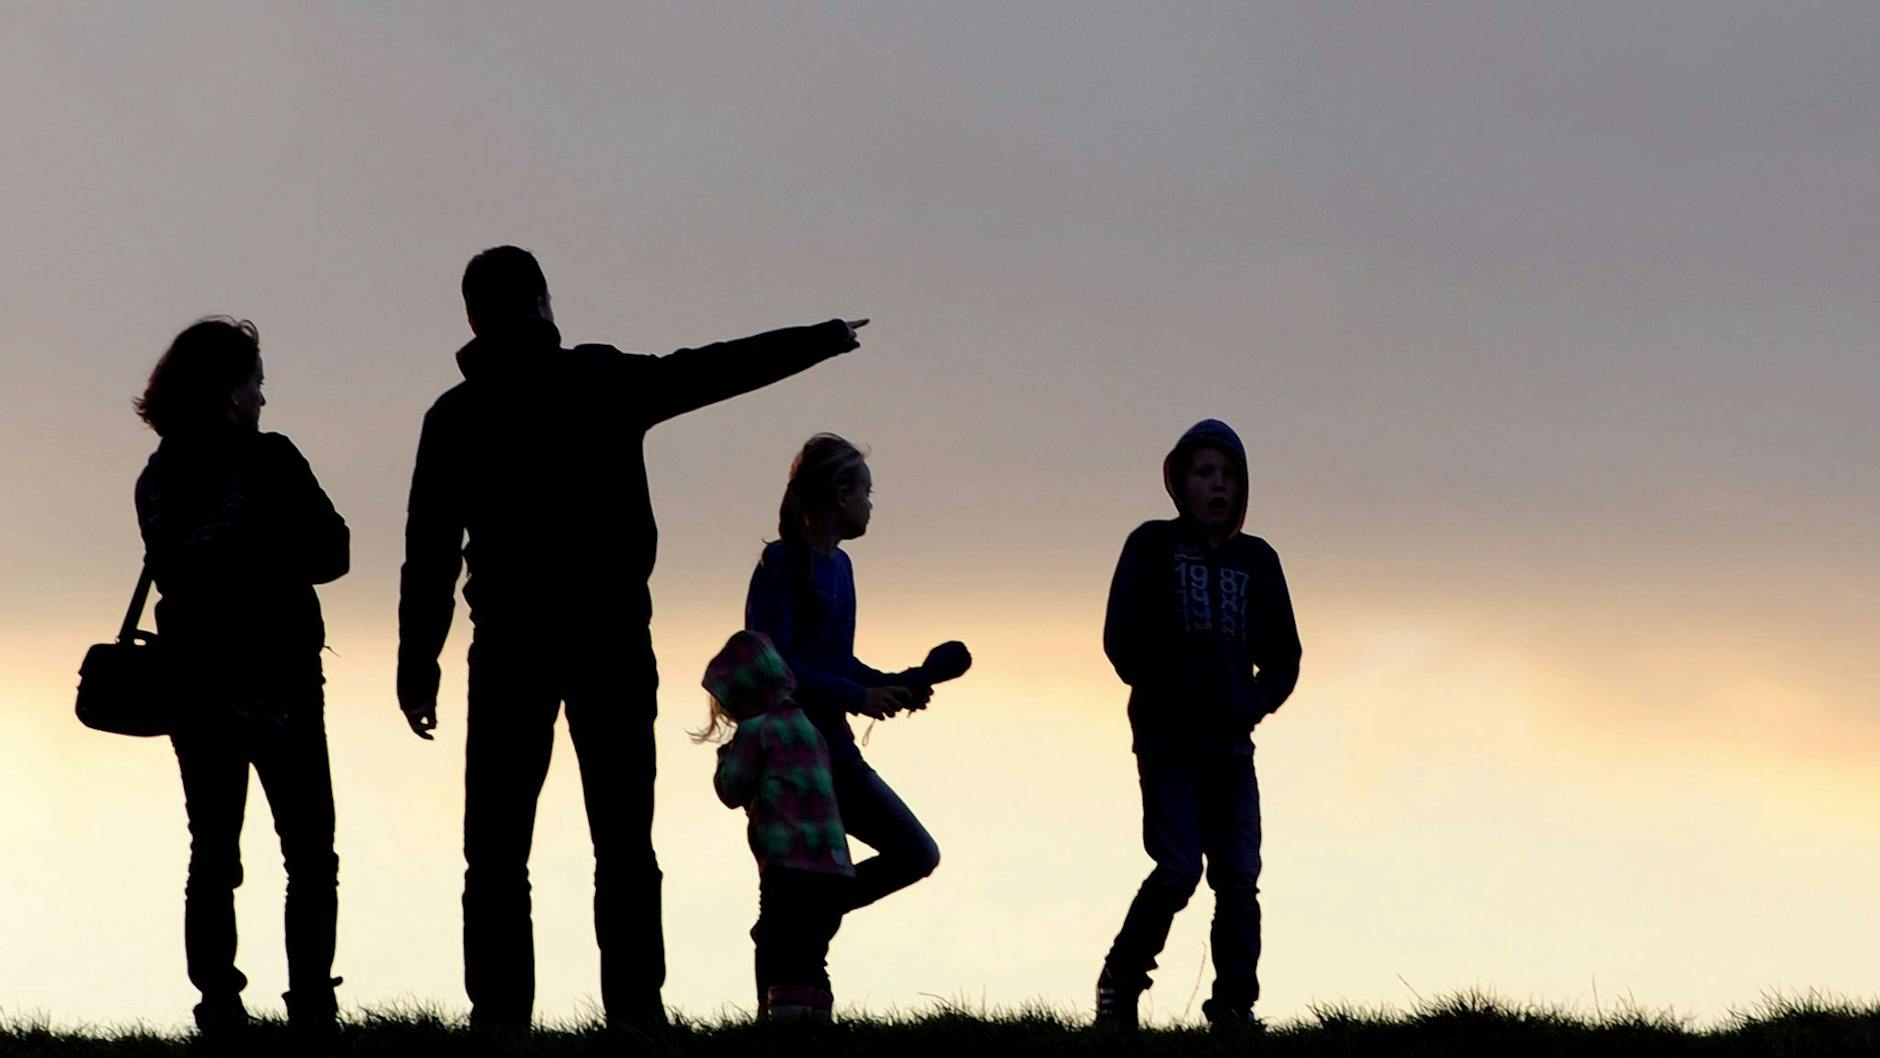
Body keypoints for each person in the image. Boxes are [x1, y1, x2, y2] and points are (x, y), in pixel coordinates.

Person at [396, 246, 865, 1031]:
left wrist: (419, 663)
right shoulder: (602, 380)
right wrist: (819, 338)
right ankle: (636, 1016)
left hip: (509, 646)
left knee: (497, 850)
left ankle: (500, 1019)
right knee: (623, 842)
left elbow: (430, 552)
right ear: (544, 302)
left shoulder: (455, 416)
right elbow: (714, 369)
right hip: (611, 638)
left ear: (473, 319)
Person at [131, 317, 350, 1035]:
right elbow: (333, 552)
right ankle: (311, 1007)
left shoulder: (157, 476)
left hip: (193, 683)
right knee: (309, 852)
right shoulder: (273, 459)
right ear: (230, 391)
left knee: (213, 851)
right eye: (256, 382)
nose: (262, 398)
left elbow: (175, 568)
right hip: (279, 677)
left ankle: (218, 1006)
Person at [742, 434, 971, 1007]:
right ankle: (782, 1009)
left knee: (914, 853)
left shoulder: (841, 566)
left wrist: (884, 683)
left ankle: (801, 926)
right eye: (867, 492)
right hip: (792, 755)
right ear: (840, 494)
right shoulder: (780, 564)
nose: (872, 504)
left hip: (836, 749)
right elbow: (777, 661)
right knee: (785, 893)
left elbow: (834, 659)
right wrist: (855, 694)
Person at [1093, 418, 1301, 1032]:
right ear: (1178, 482)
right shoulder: (1151, 545)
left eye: (1229, 475)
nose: (1218, 485)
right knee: (1179, 866)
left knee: (1239, 879)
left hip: (1232, 747)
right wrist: (1170, 692)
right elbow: (1120, 638)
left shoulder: (1258, 560)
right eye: (1205, 472)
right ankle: (1120, 983)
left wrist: (1254, 703)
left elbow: (1285, 655)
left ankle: (1234, 1008)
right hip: (1166, 741)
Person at [699, 630, 853, 1022]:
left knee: (776, 945)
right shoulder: (808, 727)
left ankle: (777, 1022)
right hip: (833, 868)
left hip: (788, 868)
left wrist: (725, 753)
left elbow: (730, 789)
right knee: (810, 953)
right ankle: (816, 1022)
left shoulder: (756, 731)